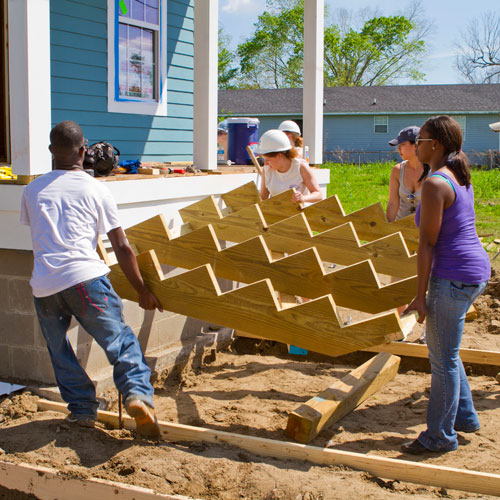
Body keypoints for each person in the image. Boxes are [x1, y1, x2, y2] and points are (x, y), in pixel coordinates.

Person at [20, 121, 163, 438]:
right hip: (86, 280)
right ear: (83, 151)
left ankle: (83, 411)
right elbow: (122, 247)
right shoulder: (97, 189)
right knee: (120, 342)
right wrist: (142, 291)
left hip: (44, 286)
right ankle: (138, 396)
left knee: (59, 351)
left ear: (50, 151)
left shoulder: (32, 190)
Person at [402, 116, 490, 455]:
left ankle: (439, 436)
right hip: (473, 272)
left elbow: (428, 245)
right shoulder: (458, 175)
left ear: (435, 145)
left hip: (453, 277)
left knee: (442, 360)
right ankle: (465, 417)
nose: (416, 144)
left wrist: (420, 296)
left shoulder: (436, 184)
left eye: (421, 139)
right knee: (448, 354)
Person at [257, 129, 322, 204]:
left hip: (297, 214)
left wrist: (303, 198)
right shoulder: (267, 170)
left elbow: (318, 194)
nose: (265, 164)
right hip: (275, 213)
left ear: (279, 155)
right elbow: (263, 198)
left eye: (268, 160)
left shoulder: (300, 167)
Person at [386, 126, 429, 222]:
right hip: (401, 229)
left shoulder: (434, 172)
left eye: (402, 144)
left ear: (417, 146)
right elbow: (393, 203)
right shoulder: (397, 170)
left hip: (425, 231)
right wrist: (387, 230)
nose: (398, 149)